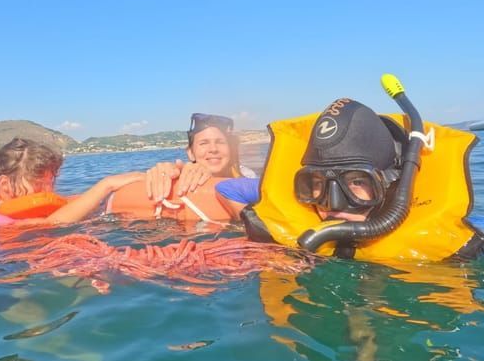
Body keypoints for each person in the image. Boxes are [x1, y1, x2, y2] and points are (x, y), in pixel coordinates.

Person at [217, 96, 483, 261]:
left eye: (356, 182)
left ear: (391, 183)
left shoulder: (459, 244)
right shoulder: (293, 234)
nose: (333, 204)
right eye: (318, 184)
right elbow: (228, 188)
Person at [0, 137, 144, 229]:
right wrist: (106, 184)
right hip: (0, 277)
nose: (48, 192)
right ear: (6, 184)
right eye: (39, 185)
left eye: (51, 183)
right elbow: (52, 223)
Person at [145, 112, 255, 203]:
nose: (213, 149)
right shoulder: (179, 175)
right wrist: (162, 174)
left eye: (220, 142)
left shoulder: (247, 175)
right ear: (190, 153)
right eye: (204, 143)